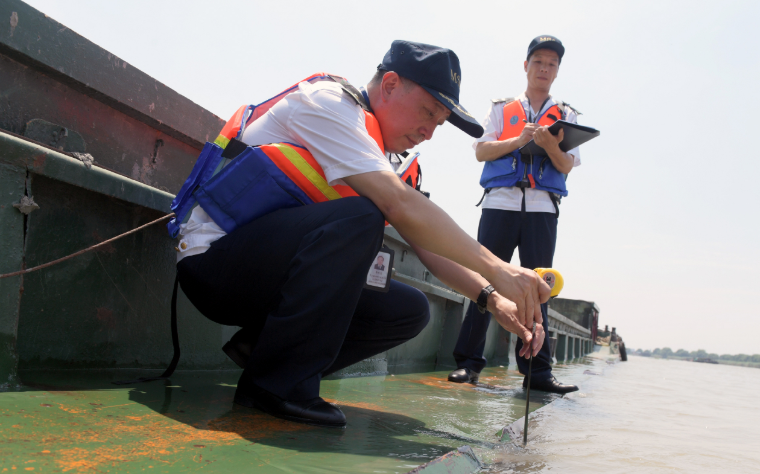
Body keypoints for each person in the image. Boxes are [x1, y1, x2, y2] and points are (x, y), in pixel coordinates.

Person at [175, 40, 550, 428]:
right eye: (427, 112)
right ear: (389, 84)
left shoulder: (376, 155)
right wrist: (500, 268)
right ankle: (277, 385)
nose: (429, 133)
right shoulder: (328, 105)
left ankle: (265, 356)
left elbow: (427, 245)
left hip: (267, 274)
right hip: (215, 264)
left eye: (438, 124)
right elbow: (399, 204)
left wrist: (493, 299)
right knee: (362, 216)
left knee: (408, 310)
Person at [447, 36, 581, 394]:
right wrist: (519, 140)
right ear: (526, 66)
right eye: (538, 61)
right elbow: (482, 151)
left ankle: (538, 372)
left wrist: (550, 145)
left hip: (542, 209)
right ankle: (468, 364)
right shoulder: (501, 109)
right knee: (483, 282)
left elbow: (568, 165)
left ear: (557, 71)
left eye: (551, 64)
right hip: (499, 205)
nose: (544, 68)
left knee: (540, 289)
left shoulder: (566, 115)